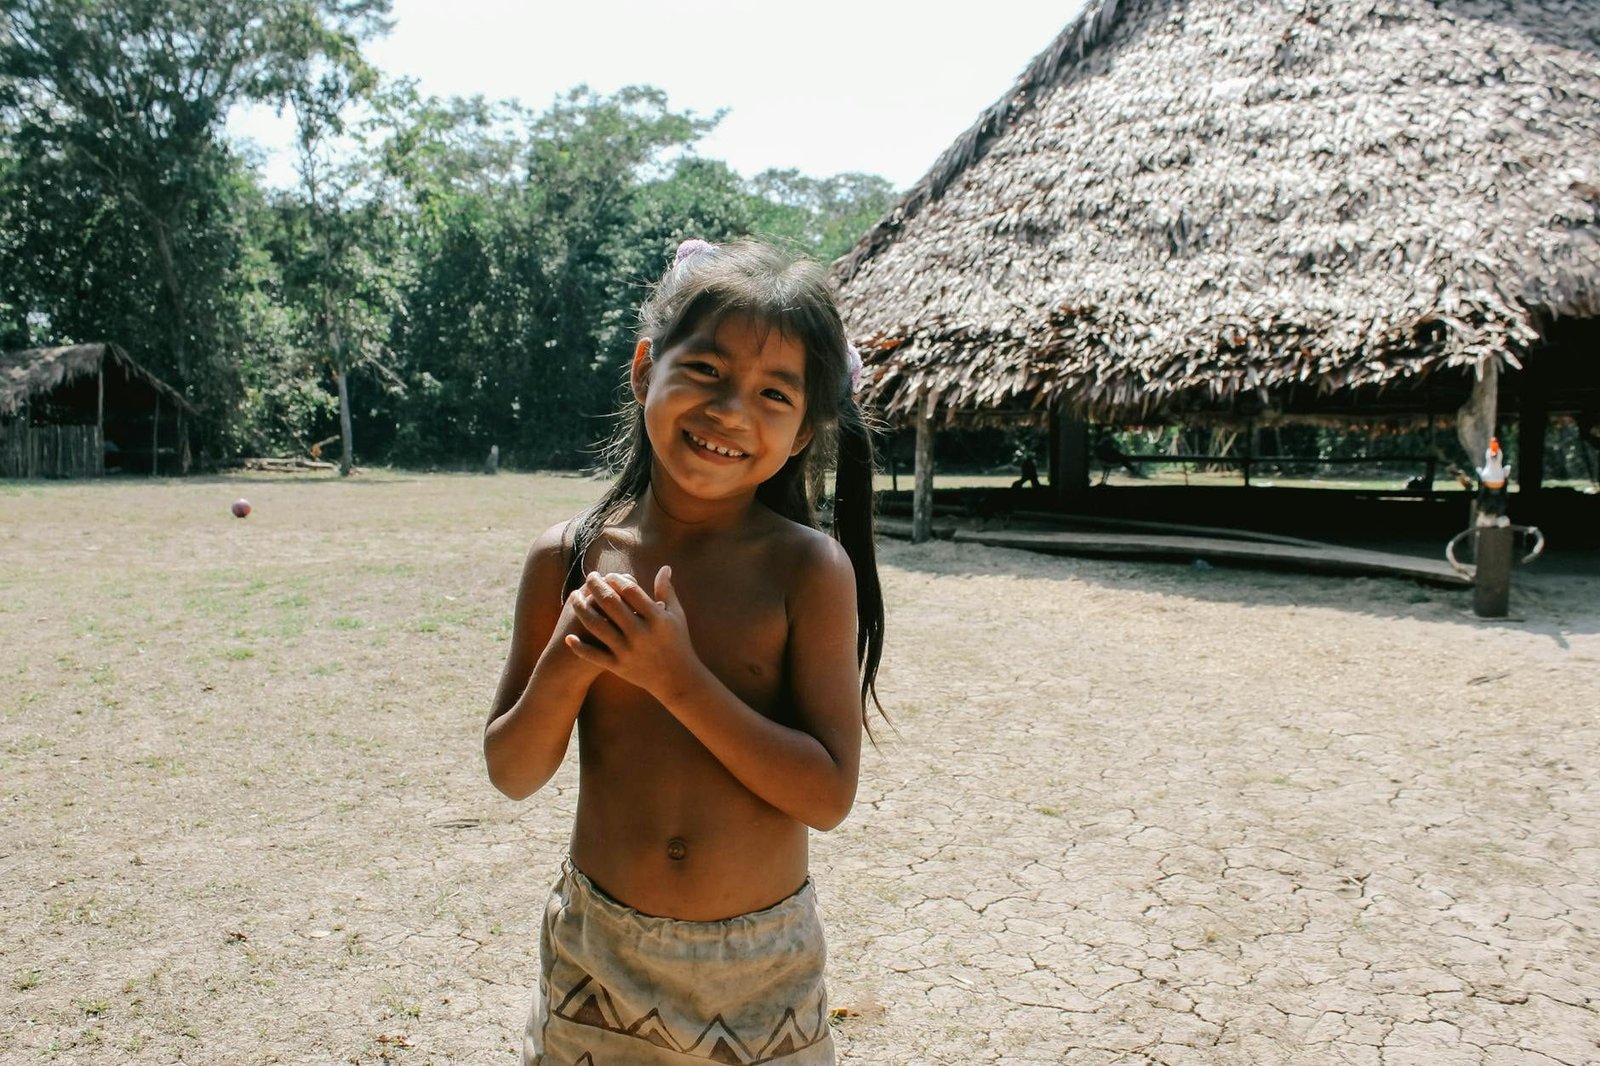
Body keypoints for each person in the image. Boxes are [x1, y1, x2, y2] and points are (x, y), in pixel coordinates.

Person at [484, 238, 885, 1065]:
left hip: (759, 968)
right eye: (704, 370)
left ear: (806, 427)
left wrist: (678, 679)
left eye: (774, 392)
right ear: (644, 370)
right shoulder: (568, 558)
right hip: (598, 956)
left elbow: (827, 794)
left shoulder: (807, 570)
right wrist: (569, 658)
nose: (731, 410)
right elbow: (513, 771)